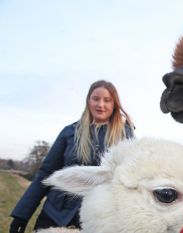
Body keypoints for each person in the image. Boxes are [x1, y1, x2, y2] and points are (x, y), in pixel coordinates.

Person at [9, 80, 135, 233]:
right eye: (96, 99)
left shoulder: (125, 134)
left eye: (107, 100)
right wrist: (22, 214)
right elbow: (45, 172)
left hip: (97, 220)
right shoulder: (69, 132)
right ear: (88, 101)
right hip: (55, 215)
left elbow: (132, 178)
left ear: (114, 104)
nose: (100, 104)